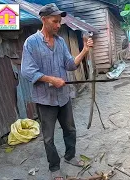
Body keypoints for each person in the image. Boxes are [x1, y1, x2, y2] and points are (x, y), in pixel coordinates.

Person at [21, 3, 93, 180]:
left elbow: (70, 64)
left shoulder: (60, 42)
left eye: (60, 22)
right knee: (48, 137)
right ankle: (54, 168)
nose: (58, 25)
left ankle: (70, 156)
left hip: (63, 97)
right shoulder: (31, 43)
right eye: (55, 21)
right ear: (44, 20)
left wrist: (84, 50)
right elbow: (27, 71)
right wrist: (51, 79)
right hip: (45, 100)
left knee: (70, 129)